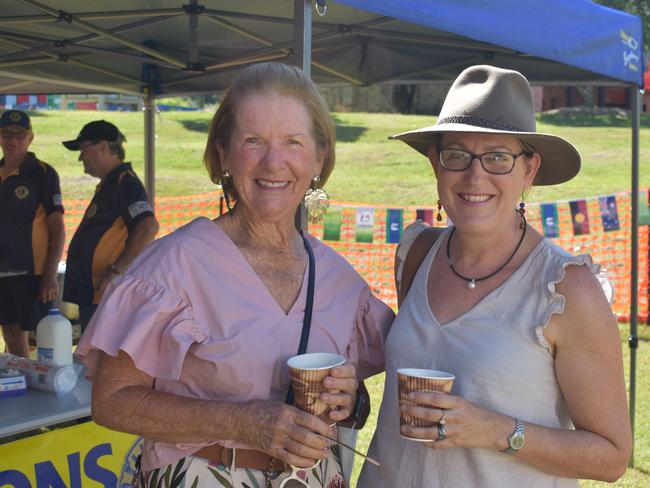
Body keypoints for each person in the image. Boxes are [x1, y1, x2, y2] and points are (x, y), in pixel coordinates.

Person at [75, 62, 394, 488]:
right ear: (223, 153)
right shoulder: (174, 266)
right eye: (253, 141)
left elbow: (357, 404)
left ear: (319, 156)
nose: (274, 161)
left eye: (293, 142)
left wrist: (347, 400)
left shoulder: (339, 279)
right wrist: (243, 421)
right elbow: (111, 403)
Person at [358, 65, 632, 487]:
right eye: (456, 155)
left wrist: (496, 430)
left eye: (498, 157)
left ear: (529, 170)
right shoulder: (417, 254)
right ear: (436, 163)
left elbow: (611, 457)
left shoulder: (566, 288)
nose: (475, 175)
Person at [62, 120, 159, 330]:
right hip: (95, 294)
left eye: (83, 148)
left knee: (101, 360)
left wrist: (116, 271)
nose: (80, 157)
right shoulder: (112, 184)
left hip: (106, 295)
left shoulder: (125, 182)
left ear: (104, 147)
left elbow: (148, 226)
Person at [0, 109, 65, 357]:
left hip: (32, 272)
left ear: (30, 138)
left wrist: (50, 275)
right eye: (6, 134)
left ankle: (33, 388)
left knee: (38, 339)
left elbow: (57, 229)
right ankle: (18, 387)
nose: (13, 140)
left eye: (19, 134)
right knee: (10, 335)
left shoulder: (43, 174)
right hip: (2, 270)